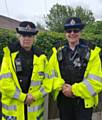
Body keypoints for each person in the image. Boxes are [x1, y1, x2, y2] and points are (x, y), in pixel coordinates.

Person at [0, 21, 64, 120]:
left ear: (34, 38)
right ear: (19, 36)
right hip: (13, 115)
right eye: (24, 35)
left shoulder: (41, 57)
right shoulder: (9, 55)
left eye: (30, 36)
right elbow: (4, 84)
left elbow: (49, 81)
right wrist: (23, 97)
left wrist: (35, 96)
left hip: (34, 114)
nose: (27, 38)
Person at [49, 17, 102, 120]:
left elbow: (97, 82)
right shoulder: (56, 52)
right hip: (64, 101)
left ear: (80, 32)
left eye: (76, 30)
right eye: (69, 30)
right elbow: (49, 76)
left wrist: (73, 90)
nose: (72, 33)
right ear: (65, 33)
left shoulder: (92, 53)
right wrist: (62, 86)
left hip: (84, 102)